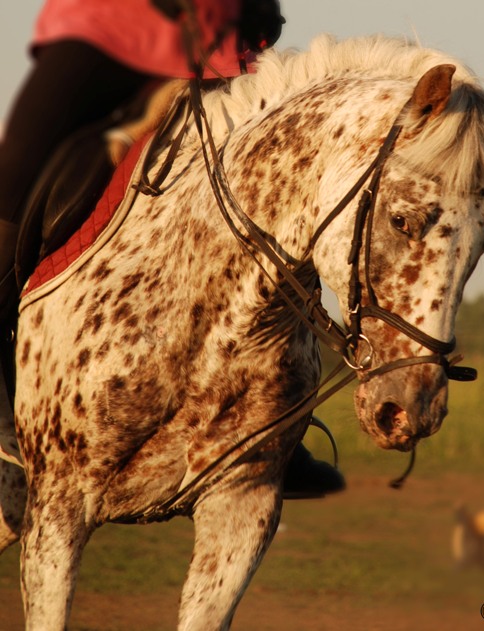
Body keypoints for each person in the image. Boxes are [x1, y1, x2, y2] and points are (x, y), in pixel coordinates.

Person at [0, 0, 345, 497]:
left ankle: (279, 423)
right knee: (15, 169)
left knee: (270, 198)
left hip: (215, 40)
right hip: (108, 29)